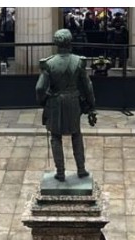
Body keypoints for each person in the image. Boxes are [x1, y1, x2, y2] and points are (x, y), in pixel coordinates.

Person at [36, 28, 97, 182]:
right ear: (70, 42)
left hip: (55, 102)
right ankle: (81, 169)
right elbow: (88, 87)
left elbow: (39, 87)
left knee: (56, 137)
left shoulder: (49, 63)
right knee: (76, 135)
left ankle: (61, 172)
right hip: (73, 102)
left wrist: (43, 101)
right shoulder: (78, 61)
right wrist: (92, 106)